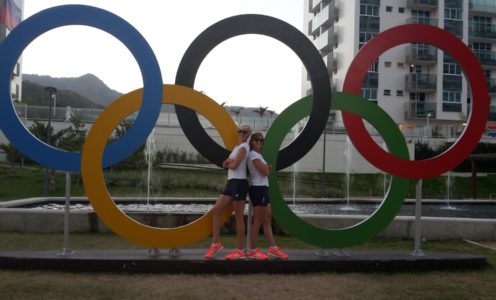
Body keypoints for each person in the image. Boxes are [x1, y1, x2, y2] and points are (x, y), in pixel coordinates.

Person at [204, 124, 252, 260]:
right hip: (231, 183)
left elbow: (234, 165)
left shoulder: (244, 147)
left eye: (245, 132)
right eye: (240, 131)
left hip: (239, 183)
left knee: (238, 217)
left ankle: (240, 250)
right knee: (216, 210)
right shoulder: (236, 148)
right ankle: (215, 244)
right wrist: (227, 163)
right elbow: (225, 164)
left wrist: (228, 163)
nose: (242, 133)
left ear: (249, 134)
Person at [246, 132, 288, 260]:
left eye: (260, 140)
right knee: (258, 220)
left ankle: (272, 248)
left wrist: (266, 168)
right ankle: (253, 250)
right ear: (252, 142)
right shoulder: (253, 154)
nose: (258, 142)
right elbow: (264, 171)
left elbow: (265, 170)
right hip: (258, 189)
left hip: (263, 188)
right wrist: (267, 168)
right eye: (256, 140)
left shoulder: (258, 155)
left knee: (267, 219)